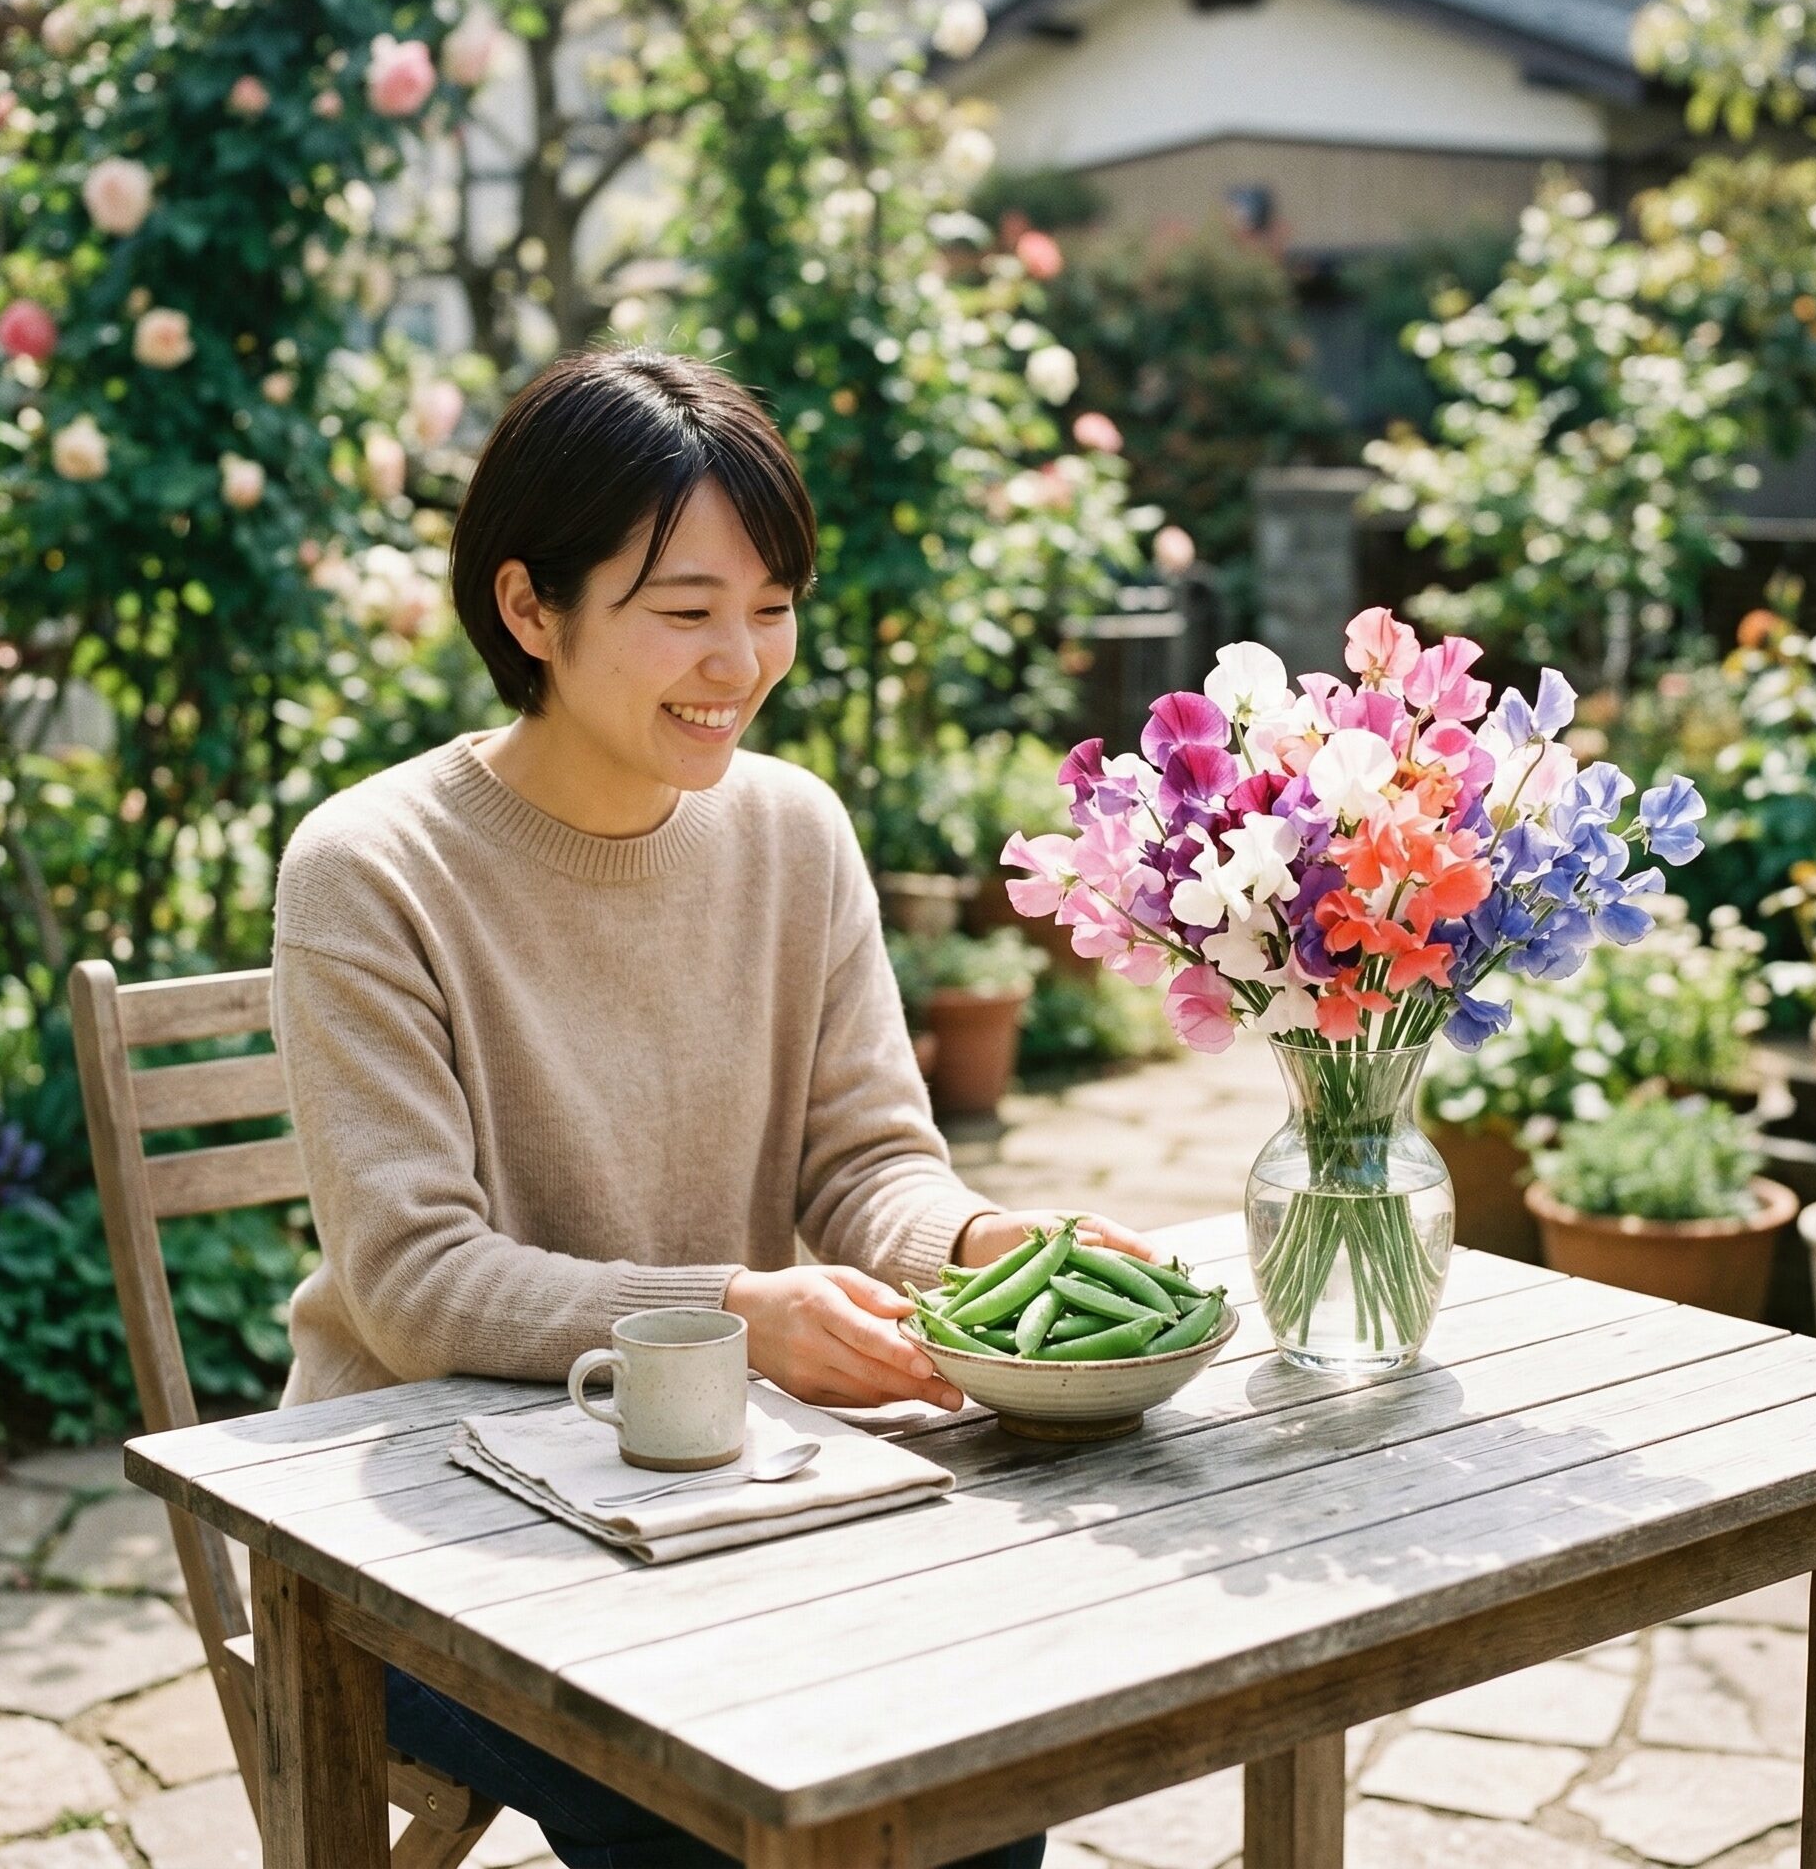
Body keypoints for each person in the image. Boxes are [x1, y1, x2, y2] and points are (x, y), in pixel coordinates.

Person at [271, 347, 1158, 1868]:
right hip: (426, 1539)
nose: (739, 661)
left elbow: (870, 1161)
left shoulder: (792, 833)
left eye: (772, 606)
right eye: (684, 611)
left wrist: (993, 1251)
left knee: (981, 1758)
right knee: (736, 1805)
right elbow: (414, 1284)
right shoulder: (372, 871)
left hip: (722, 1493)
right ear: (529, 608)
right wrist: (737, 1306)